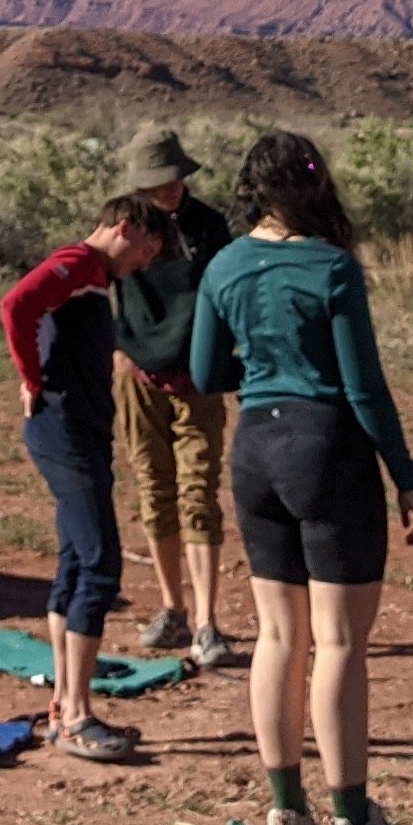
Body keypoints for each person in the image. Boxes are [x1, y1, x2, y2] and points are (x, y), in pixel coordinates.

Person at [190, 130, 413, 825]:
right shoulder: (331, 267)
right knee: (338, 642)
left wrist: (265, 367)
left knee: (277, 636)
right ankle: (354, 821)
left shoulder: (224, 266)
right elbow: (363, 386)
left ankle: (285, 810)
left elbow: (206, 372)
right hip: (328, 450)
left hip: (255, 451)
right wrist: (405, 473)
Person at [1, 192, 177, 761]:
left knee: (76, 561)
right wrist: (31, 378)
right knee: (100, 565)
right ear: (124, 228)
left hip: (81, 433)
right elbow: (17, 305)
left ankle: (63, 705)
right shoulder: (77, 264)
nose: (144, 264)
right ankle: (76, 715)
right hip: (65, 431)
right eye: (146, 250)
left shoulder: (95, 277)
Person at [109, 125, 238, 663]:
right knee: (153, 488)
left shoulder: (210, 227)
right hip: (137, 376)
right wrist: (118, 351)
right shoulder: (122, 228)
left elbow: (228, 298)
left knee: (198, 493)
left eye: (175, 179)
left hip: (198, 378)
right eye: (158, 182)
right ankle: (172, 610)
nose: (170, 190)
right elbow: (101, 285)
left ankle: (208, 621)